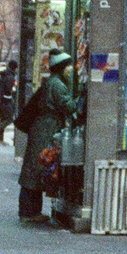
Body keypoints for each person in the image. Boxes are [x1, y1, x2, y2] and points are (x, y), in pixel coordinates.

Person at [14, 53, 80, 222]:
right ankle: (29, 212)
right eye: (68, 66)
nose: (71, 69)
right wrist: (82, 98)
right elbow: (69, 106)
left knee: (35, 169)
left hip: (42, 127)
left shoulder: (52, 82)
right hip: (45, 129)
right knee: (36, 169)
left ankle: (30, 211)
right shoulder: (57, 85)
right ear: (61, 67)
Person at [0, 61, 20, 142]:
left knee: (2, 119)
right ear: (14, 68)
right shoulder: (10, 77)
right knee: (9, 119)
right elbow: (8, 90)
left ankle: (1, 139)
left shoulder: (5, 74)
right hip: (5, 101)